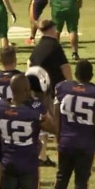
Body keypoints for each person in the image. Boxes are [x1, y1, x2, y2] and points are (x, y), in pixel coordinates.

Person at [0, 74, 55, 189]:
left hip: (8, 162)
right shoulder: (35, 109)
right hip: (28, 164)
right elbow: (53, 128)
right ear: (26, 89)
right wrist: (46, 120)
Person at [53, 60, 95, 189]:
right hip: (85, 143)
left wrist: (57, 136)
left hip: (66, 140)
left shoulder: (62, 88)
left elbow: (56, 116)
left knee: (62, 176)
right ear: (91, 75)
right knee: (81, 180)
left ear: (76, 74)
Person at [28, 19, 72, 166]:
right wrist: (70, 85)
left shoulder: (38, 46)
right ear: (52, 28)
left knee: (42, 123)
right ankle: (56, 155)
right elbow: (65, 67)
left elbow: (29, 64)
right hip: (50, 91)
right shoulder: (54, 46)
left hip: (36, 90)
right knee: (55, 125)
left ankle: (42, 155)